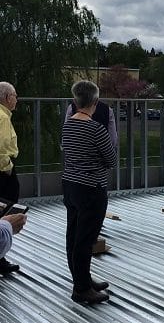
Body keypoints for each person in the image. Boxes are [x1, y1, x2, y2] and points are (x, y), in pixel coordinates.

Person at [61, 80, 117, 304]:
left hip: (70, 186)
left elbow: (67, 150)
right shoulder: (96, 129)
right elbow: (111, 159)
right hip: (92, 188)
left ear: (76, 101)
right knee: (86, 239)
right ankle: (82, 289)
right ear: (95, 101)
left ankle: (81, 279)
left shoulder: (68, 126)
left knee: (73, 235)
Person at [0, 81, 21, 274]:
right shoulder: (3, 118)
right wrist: (6, 167)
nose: (17, 99)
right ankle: (1, 256)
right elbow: (2, 146)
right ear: (7, 98)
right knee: (7, 207)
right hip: (3, 171)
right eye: (15, 95)